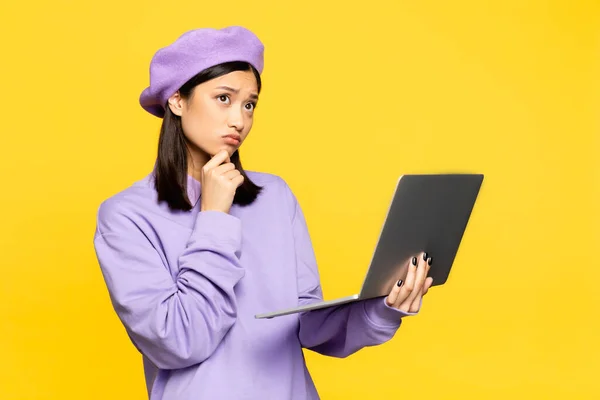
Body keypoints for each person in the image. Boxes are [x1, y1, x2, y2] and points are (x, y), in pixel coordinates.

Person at [93, 26, 434, 400]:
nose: (239, 119)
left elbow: (305, 323)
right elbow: (180, 341)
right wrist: (214, 218)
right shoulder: (125, 216)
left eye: (249, 104)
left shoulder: (275, 196)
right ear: (177, 100)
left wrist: (384, 308)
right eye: (223, 98)